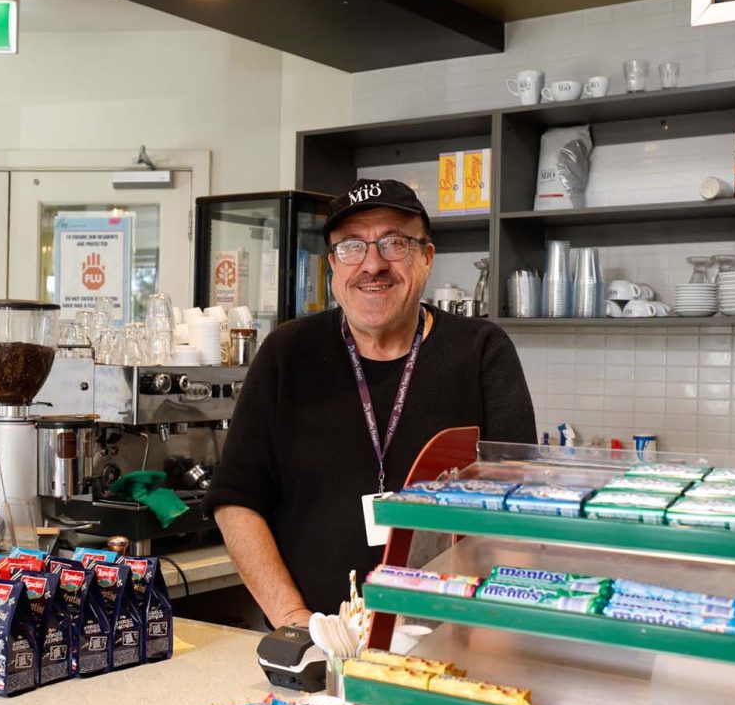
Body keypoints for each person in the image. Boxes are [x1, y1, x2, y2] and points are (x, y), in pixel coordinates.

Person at [207, 178, 537, 626]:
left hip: (447, 637)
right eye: (352, 247)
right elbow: (237, 499)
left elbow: (516, 507)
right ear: (332, 266)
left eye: (394, 243)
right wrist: (296, 622)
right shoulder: (287, 353)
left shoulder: (482, 352)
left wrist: (483, 634)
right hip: (313, 639)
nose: (373, 264)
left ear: (426, 258)